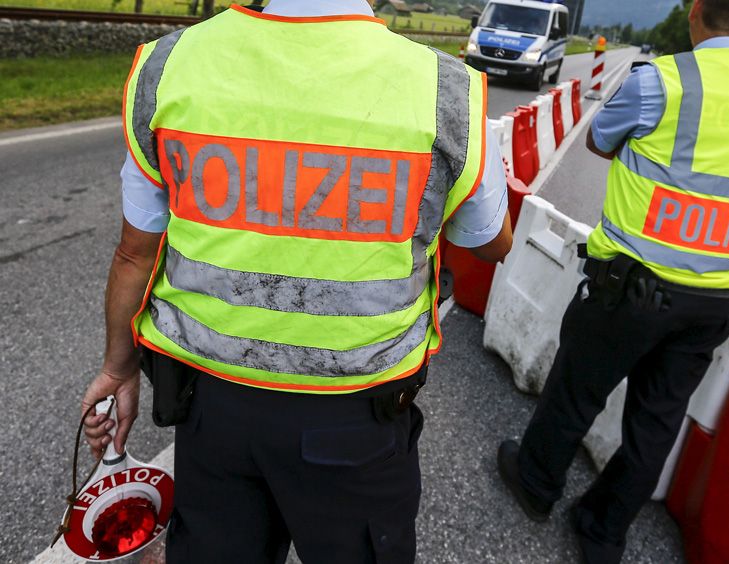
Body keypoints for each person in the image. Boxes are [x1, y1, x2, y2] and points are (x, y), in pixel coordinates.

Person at [79, 0, 512, 562]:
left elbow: (133, 255)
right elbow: (491, 242)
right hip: (355, 420)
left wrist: (118, 369)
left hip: (211, 411)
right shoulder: (446, 89)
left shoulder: (170, 65)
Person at [497, 0, 729, 562]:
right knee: (656, 422)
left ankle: (536, 484)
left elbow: (599, 141)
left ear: (696, 11)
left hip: (631, 289)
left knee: (575, 392)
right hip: (716, 301)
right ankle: (603, 530)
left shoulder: (661, 82)